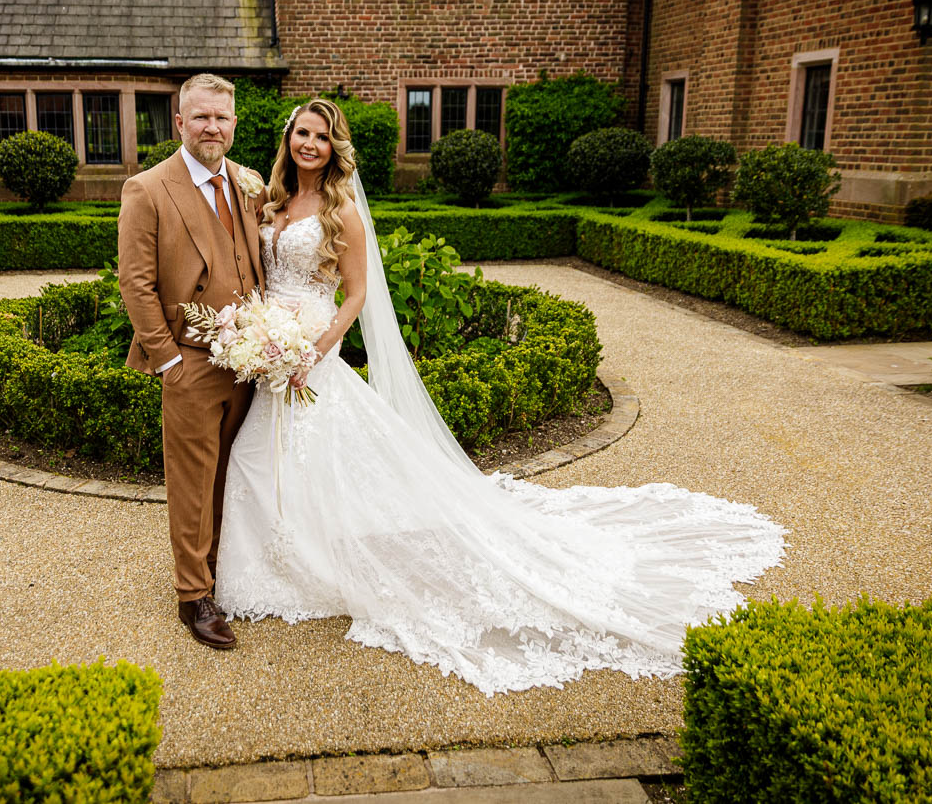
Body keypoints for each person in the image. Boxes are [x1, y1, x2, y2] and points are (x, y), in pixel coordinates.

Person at [216, 98, 787, 694]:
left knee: (317, 450)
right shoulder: (269, 201)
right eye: (302, 133)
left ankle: (320, 563)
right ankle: (279, 561)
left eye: (322, 137)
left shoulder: (343, 212)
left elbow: (355, 296)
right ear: (289, 140)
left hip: (313, 344)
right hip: (269, 347)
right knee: (263, 455)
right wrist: (256, 334)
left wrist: (316, 346)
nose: (310, 143)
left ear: (335, 149)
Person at [118, 73, 267, 651]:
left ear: (234, 125)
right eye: (201, 117)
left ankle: (224, 570)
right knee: (192, 481)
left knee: (237, 472)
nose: (213, 127)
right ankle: (193, 596)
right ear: (179, 123)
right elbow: (136, 280)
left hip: (252, 360)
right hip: (192, 361)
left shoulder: (246, 183)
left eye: (222, 118)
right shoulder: (148, 189)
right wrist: (167, 361)